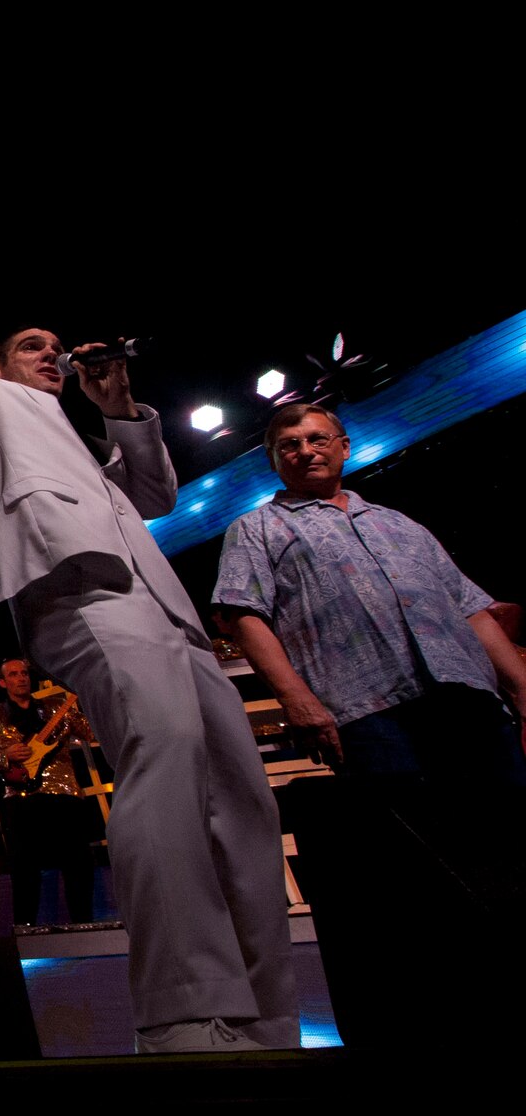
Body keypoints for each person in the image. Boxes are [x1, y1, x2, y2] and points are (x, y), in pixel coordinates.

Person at [0, 182, 297, 1053]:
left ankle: (267, 1015)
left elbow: (157, 496)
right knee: (160, 758)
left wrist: (118, 405)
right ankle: (183, 1008)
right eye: (32, 346)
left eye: (58, 345)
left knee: (243, 796)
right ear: (3, 365)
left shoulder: (80, 436)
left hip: (163, 605)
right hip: (77, 593)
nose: (52, 354)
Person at [212, 402, 526, 1046]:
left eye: (316, 438)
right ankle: (451, 1018)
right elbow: (244, 614)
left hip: (465, 697)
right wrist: (297, 699)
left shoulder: (400, 524)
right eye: (287, 444)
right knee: (415, 864)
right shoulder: (258, 529)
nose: (303, 450)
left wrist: (522, 689)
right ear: (274, 459)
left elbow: (471, 608)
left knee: (511, 840)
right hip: (367, 707)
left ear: (344, 446)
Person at [0, 658, 100, 931]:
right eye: (14, 674)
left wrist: (92, 699)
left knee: (78, 861)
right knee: (24, 866)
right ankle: (26, 928)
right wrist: (4, 755)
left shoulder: (55, 709)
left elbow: (91, 732)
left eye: (25, 673)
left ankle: (84, 925)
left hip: (64, 793)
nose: (22, 678)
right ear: (3, 682)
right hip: (22, 799)